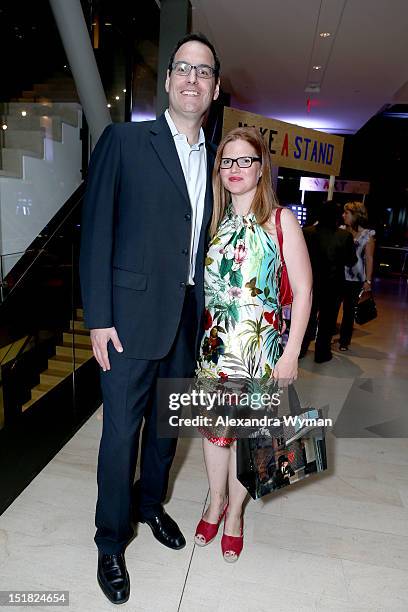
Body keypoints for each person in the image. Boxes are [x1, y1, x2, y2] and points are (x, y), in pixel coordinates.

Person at [80, 33, 220, 604]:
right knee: (121, 435)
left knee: (168, 428)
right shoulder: (125, 140)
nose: (192, 79)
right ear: (167, 80)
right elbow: (96, 234)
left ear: (214, 87)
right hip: (129, 318)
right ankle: (110, 542)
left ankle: (150, 504)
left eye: (204, 72)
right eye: (183, 68)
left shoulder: (219, 159)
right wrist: (99, 317)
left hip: (189, 316)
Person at [193, 127, 312, 562]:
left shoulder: (281, 220)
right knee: (214, 433)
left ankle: (235, 512)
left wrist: (292, 351)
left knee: (253, 438)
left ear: (262, 168)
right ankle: (214, 499)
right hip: (213, 350)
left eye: (245, 160)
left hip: (261, 355)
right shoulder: (213, 221)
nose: (235, 169)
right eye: (227, 161)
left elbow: (303, 291)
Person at [301, 201, 357, 362]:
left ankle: (301, 349)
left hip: (310, 283)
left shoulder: (307, 232)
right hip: (334, 285)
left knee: (306, 317)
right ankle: (322, 353)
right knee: (328, 321)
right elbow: (351, 261)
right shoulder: (344, 236)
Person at [338, 201, 375, 351]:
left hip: (356, 280)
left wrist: (368, 280)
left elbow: (369, 259)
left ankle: (344, 342)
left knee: (348, 311)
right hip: (338, 276)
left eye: (346, 213)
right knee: (331, 309)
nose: (343, 215)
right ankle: (325, 337)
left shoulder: (367, 235)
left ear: (356, 215)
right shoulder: (340, 230)